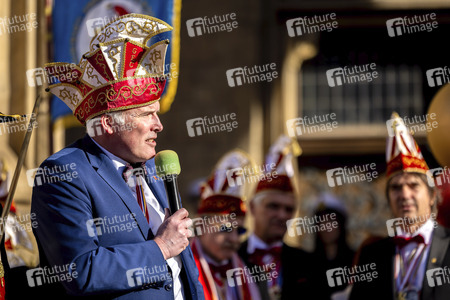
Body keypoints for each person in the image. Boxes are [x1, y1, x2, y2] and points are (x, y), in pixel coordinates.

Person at [31, 14, 204, 299]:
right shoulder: (64, 173)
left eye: (156, 113)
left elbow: (183, 265)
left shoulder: (154, 169)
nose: (158, 125)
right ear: (109, 124)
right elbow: (80, 271)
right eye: (147, 114)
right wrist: (160, 247)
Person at [349, 112, 450, 300]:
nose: (404, 194)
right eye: (396, 188)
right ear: (388, 198)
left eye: (413, 185)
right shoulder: (372, 254)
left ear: (432, 195)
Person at [237, 135, 308, 300]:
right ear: (253, 207)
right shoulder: (231, 258)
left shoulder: (308, 263)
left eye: (289, 209)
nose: (282, 215)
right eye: (273, 206)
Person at [190, 149, 262, 300]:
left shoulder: (251, 269)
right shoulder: (181, 268)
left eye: (240, 230)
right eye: (226, 229)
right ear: (201, 225)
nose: (235, 239)